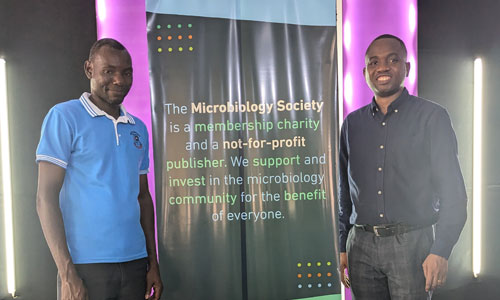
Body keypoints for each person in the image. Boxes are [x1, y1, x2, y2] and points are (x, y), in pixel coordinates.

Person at [338, 34, 467, 299]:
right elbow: (344, 190)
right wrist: (342, 244)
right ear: (365, 72)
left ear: (406, 68)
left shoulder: (432, 118)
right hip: (360, 245)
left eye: (392, 60)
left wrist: (441, 249)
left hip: (412, 244)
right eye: (374, 62)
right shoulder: (352, 124)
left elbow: (453, 193)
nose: (382, 67)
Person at [36, 38, 163, 300]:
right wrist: (67, 272)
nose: (119, 80)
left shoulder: (137, 128)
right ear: (89, 70)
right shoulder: (64, 117)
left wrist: (152, 262)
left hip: (135, 263)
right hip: (85, 265)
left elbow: (142, 198)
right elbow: (45, 198)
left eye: (126, 72)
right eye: (109, 71)